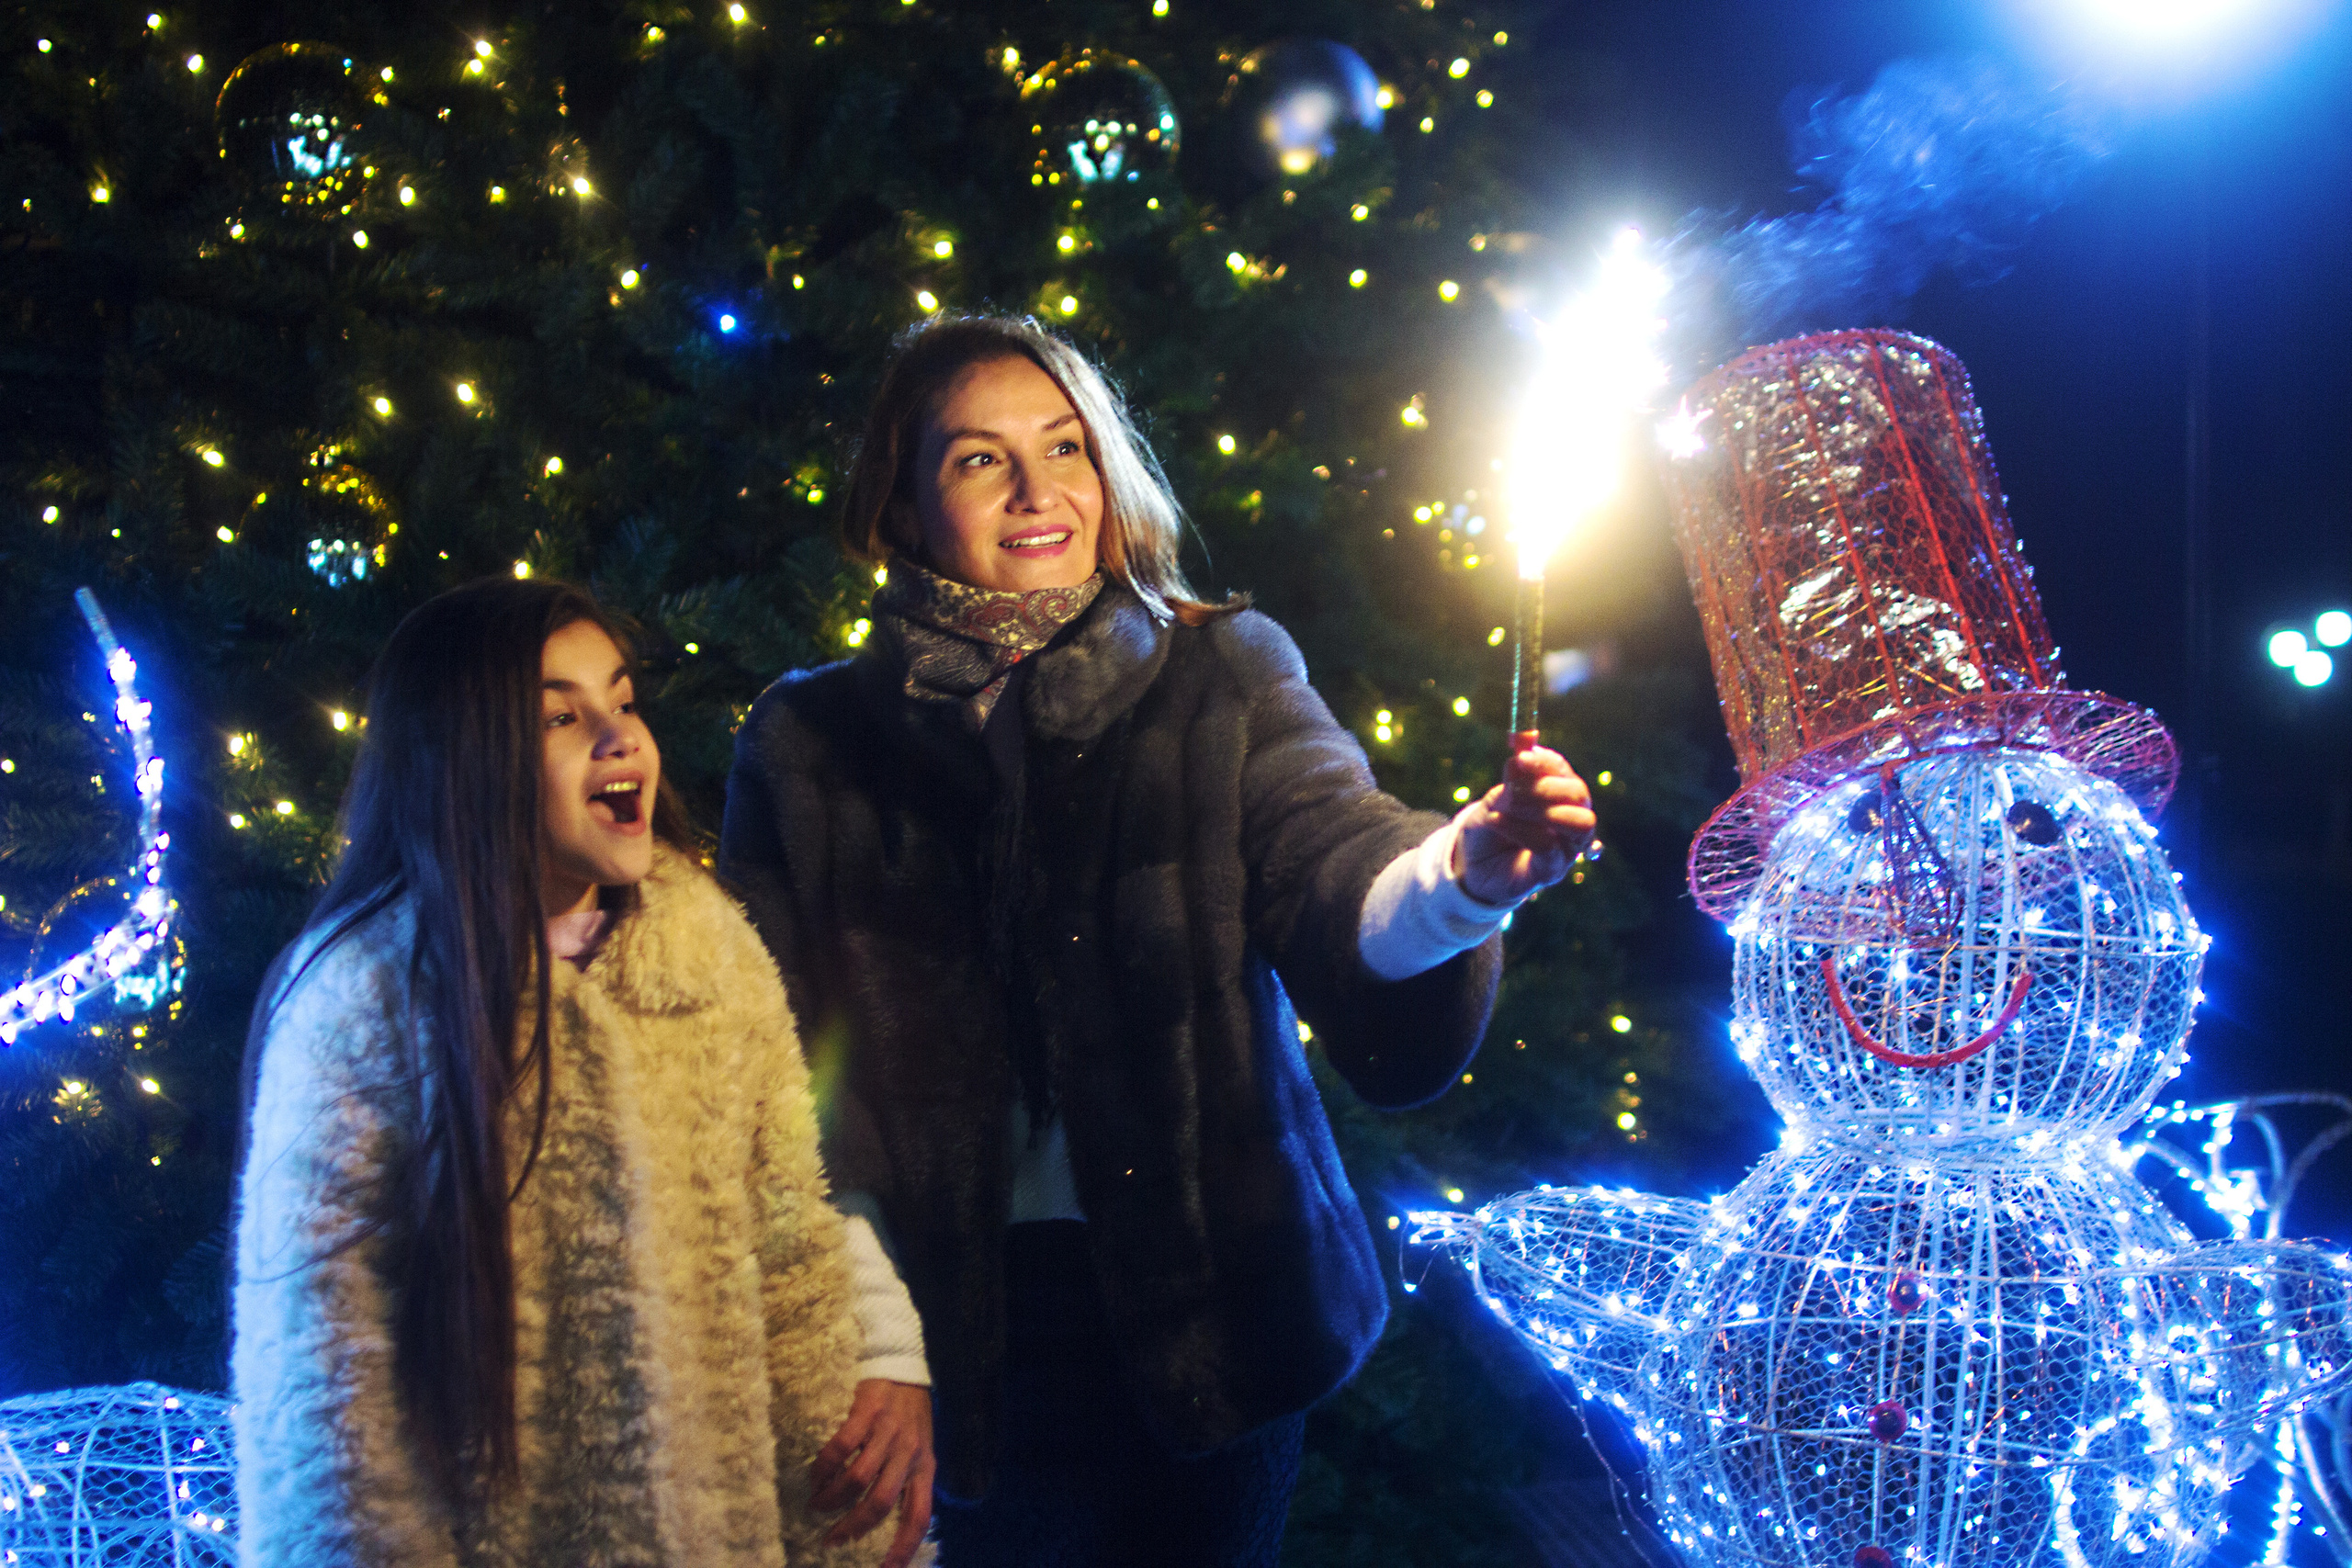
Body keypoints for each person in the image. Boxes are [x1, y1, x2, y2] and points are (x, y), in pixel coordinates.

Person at [719, 315, 1597, 1565]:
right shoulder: (808, 743)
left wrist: (1465, 876)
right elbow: (788, 1073)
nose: (1037, 492)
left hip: (1226, 1322)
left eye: (1064, 446)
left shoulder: (1221, 669)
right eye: (978, 458)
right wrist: (875, 1344)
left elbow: (1332, 856)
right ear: (903, 502)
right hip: (958, 1341)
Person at [234, 578, 933, 1568]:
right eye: (561, 717)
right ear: (463, 759)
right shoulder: (365, 1004)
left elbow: (792, 1239)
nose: (619, 738)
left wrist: (846, 1524)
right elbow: (323, 1384)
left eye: (622, 700)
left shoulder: (710, 954)